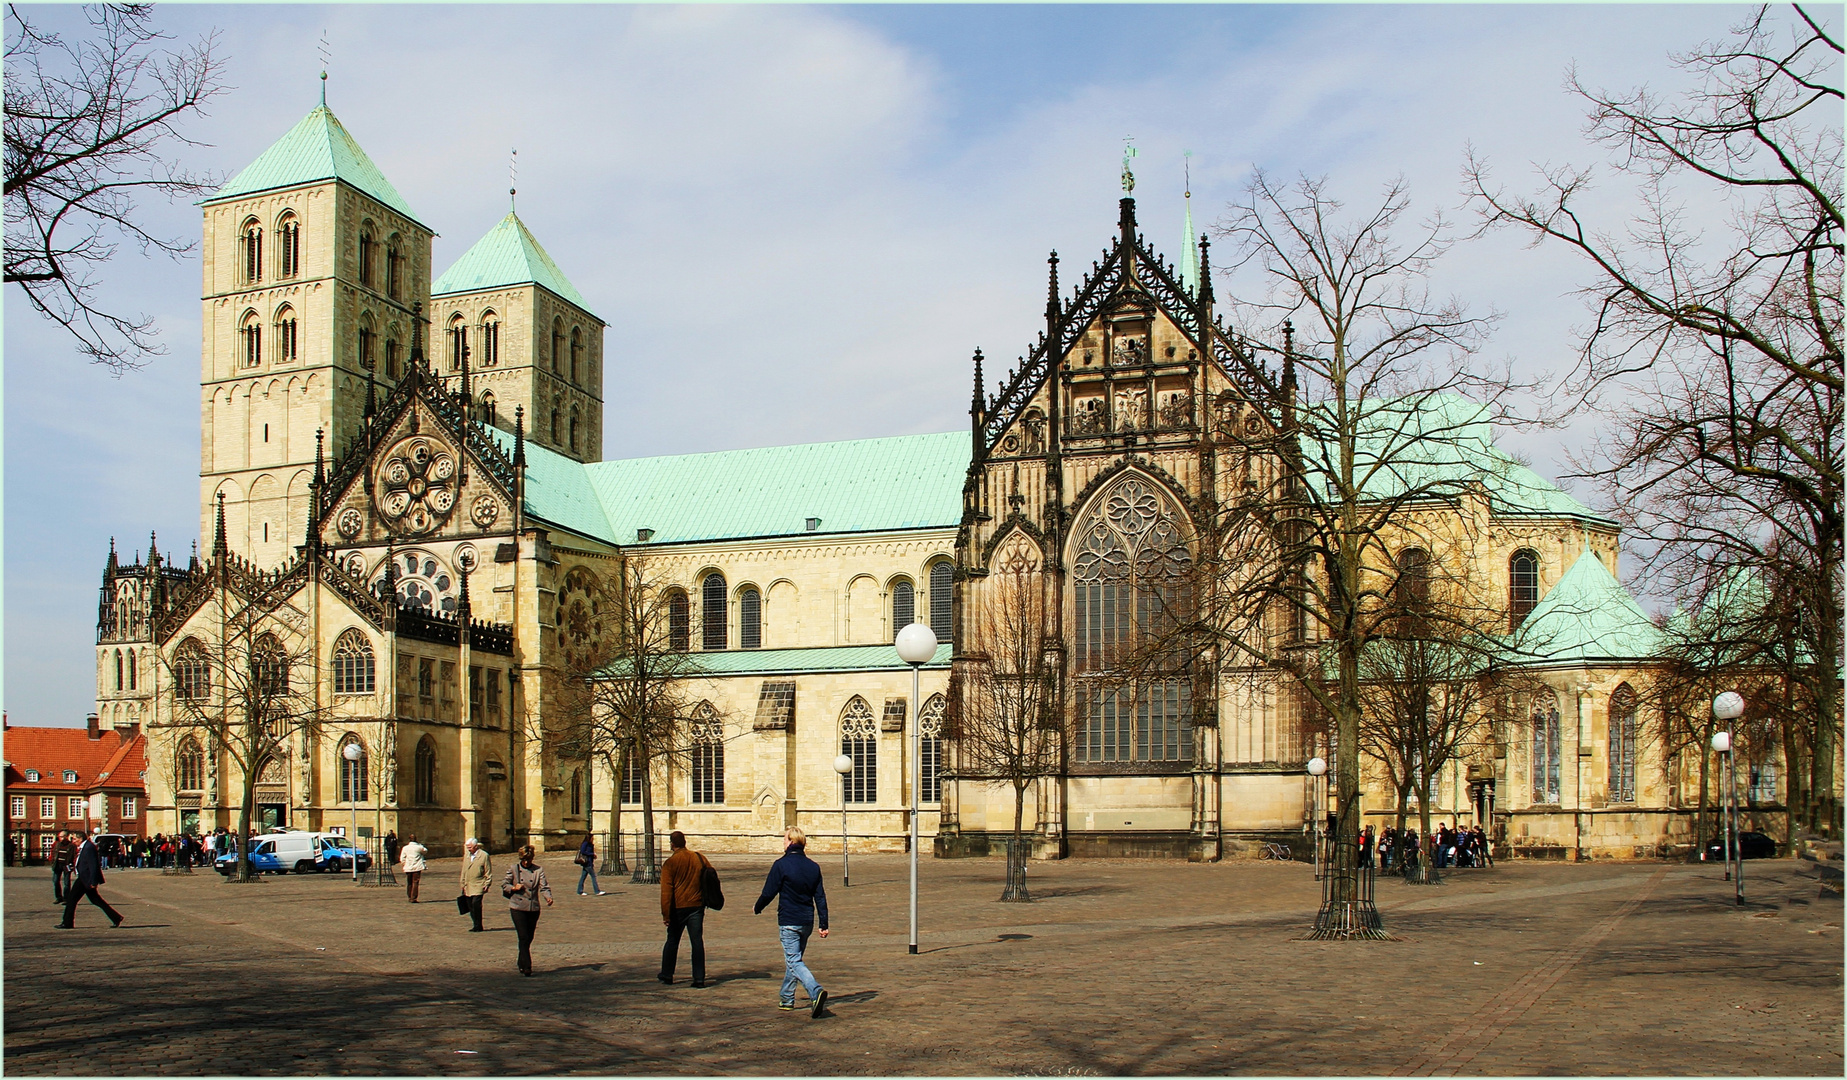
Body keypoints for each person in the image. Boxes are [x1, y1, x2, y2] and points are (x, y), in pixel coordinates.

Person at [753, 826, 829, 1018]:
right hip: (807, 921)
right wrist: (824, 923)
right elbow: (820, 897)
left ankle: (815, 990)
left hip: (789, 920)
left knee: (794, 960)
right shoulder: (813, 866)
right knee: (793, 961)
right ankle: (786, 998)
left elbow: (769, 891)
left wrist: (758, 906)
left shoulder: (781, 864)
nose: (783, 842)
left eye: (785, 839)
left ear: (792, 842)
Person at [659, 830, 713, 987]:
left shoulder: (670, 863)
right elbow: (710, 875)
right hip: (696, 906)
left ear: (672, 844)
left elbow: (666, 891)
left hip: (678, 908)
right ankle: (699, 978)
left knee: (672, 941)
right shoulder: (699, 858)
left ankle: (667, 974)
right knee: (697, 942)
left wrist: (666, 914)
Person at [502, 844, 553, 976]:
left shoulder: (538, 870)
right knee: (523, 936)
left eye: (529, 860)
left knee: (528, 938)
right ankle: (527, 966)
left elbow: (544, 886)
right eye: (524, 859)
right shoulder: (514, 869)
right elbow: (505, 884)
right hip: (517, 907)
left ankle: (521, 960)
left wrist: (548, 897)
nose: (526, 862)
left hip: (533, 907)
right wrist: (513, 888)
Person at [60, 831, 123, 929]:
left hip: (85, 879)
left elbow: (93, 865)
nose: (73, 841)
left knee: (72, 900)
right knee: (96, 900)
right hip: (84, 877)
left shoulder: (89, 847)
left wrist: (93, 881)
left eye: (75, 839)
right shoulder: (85, 847)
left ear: (80, 839)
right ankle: (116, 917)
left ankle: (67, 923)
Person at [460, 838, 492, 931]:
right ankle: (475, 924)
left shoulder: (484, 856)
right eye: (467, 847)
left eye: (470, 847)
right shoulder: (467, 855)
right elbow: (464, 870)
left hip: (479, 884)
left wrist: (487, 883)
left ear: (476, 846)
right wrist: (462, 882)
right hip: (468, 884)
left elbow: (488, 870)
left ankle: (478, 925)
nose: (468, 849)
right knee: (470, 905)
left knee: (476, 904)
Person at [399, 834, 428, 903]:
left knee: (409, 882)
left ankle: (409, 896)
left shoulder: (405, 848)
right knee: (415, 882)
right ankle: (413, 897)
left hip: (408, 867)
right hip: (417, 867)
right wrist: (420, 844)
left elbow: (402, 858)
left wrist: (404, 864)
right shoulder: (418, 847)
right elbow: (425, 851)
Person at [50, 831, 76, 903]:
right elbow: (53, 853)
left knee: (67, 883)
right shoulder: (57, 844)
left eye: (62, 836)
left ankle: (66, 898)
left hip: (66, 865)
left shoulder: (71, 845)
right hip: (57, 865)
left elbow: (74, 855)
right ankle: (58, 897)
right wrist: (52, 862)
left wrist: (72, 865)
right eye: (59, 837)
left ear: (66, 836)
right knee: (55, 881)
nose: (60, 838)